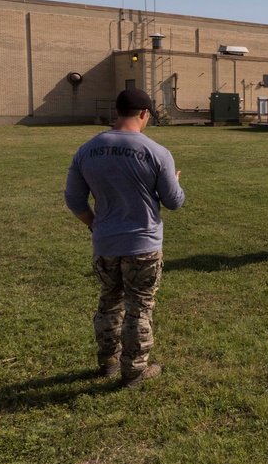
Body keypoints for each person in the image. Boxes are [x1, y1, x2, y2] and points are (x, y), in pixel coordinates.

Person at [64, 88, 185, 387]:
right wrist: (176, 183)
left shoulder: (86, 150)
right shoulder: (157, 152)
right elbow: (174, 201)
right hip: (143, 244)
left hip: (105, 242)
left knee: (109, 302)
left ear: (117, 112)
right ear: (144, 114)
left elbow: (74, 201)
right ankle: (134, 371)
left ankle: (108, 363)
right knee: (139, 307)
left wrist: (95, 226)